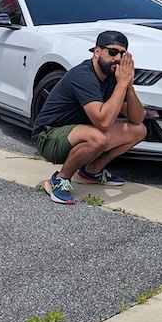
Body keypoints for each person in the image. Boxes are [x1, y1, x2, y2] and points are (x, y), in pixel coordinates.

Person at [30, 31, 147, 205]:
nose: (117, 58)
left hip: (80, 130)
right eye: (112, 52)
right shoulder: (83, 76)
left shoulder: (113, 77)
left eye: (122, 54)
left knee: (138, 131)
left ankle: (91, 172)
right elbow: (103, 122)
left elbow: (137, 118)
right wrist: (122, 84)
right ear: (97, 51)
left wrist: (128, 86)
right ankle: (60, 179)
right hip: (48, 136)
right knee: (98, 137)